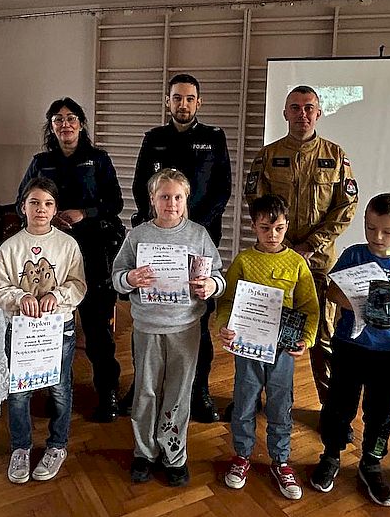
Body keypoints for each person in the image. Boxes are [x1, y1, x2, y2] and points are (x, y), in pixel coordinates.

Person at [245, 85, 358, 406]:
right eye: (295, 107)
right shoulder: (267, 156)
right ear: (285, 113)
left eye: (309, 108)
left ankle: (330, 408)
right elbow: (256, 201)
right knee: (265, 326)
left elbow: (346, 206)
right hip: (273, 260)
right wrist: (282, 244)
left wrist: (309, 245)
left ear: (318, 113)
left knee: (322, 334)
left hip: (318, 262)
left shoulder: (335, 156)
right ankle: (254, 399)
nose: (302, 114)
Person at [113, 168, 225, 487]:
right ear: (152, 199)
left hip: (185, 328)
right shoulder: (137, 236)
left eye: (177, 197)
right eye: (164, 197)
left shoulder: (198, 235)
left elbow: (218, 276)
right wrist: (130, 278)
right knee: (146, 390)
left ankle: (174, 452)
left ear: (186, 199)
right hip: (147, 326)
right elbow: (117, 277)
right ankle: (144, 452)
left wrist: (211, 286)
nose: (171, 203)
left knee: (178, 391)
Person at [130, 73, 231, 422]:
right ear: (168, 101)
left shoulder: (213, 138)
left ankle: (199, 389)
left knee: (195, 314)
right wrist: (159, 225)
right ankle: (143, 384)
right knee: (151, 308)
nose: (183, 104)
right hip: (157, 239)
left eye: (189, 98)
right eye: (177, 98)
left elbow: (222, 190)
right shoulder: (154, 139)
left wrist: (190, 229)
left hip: (197, 239)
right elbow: (140, 186)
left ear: (198, 102)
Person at [309, 193, 390, 507]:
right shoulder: (354, 254)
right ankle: (331, 455)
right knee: (338, 404)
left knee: (382, 411)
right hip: (350, 346)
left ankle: (371, 462)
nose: (377, 236)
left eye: (387, 231)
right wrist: (355, 301)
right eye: (371, 228)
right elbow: (332, 291)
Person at [18, 98, 125, 423]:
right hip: (50, 257)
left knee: (97, 331)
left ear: (81, 123)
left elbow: (115, 203)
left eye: (71, 118)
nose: (65, 124)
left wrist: (84, 213)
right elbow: (22, 200)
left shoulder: (98, 159)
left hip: (92, 253)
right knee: (52, 330)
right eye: (58, 119)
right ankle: (56, 394)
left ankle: (107, 393)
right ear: (51, 126)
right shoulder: (40, 162)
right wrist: (47, 216)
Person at [216, 194, 319, 500]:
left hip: (282, 351)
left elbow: (309, 305)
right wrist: (224, 327)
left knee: (280, 404)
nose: (272, 235)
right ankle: (241, 456)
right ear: (254, 227)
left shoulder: (296, 263)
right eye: (265, 228)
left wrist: (307, 339)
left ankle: (281, 461)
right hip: (247, 349)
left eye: (279, 228)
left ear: (287, 226)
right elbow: (227, 301)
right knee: (244, 402)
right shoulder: (244, 261)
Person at [0, 177, 86, 484]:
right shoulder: (10, 247)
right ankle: (20, 447)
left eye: (48, 203)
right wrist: (20, 298)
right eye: (34, 202)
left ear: (56, 209)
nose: (41, 209)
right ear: (23, 207)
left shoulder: (67, 245)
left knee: (60, 388)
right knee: (20, 392)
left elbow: (78, 285)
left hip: (59, 328)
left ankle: (57, 445)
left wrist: (56, 296)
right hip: (21, 331)